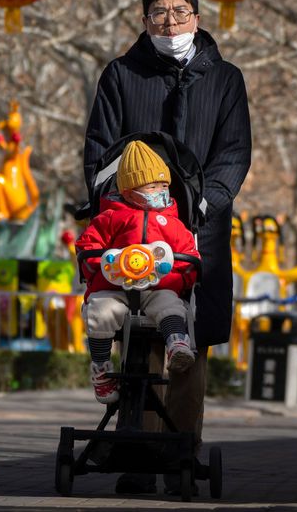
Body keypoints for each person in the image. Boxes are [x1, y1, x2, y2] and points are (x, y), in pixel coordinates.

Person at [82, 0, 251, 495]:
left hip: (198, 230)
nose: (169, 21)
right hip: (130, 227)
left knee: (188, 341)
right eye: (158, 13)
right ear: (144, 20)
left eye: (179, 13)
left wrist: (202, 202)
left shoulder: (225, 80)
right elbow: (99, 148)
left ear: (197, 19)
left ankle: (181, 451)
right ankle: (138, 452)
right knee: (135, 332)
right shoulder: (120, 75)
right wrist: (118, 203)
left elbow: (234, 153)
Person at [76, 140, 200, 403]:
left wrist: (175, 276)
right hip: (114, 288)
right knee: (100, 312)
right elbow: (87, 247)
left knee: (170, 305)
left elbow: (189, 255)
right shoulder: (110, 219)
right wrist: (105, 266)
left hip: (159, 286)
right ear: (130, 192)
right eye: (153, 186)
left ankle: (177, 343)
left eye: (164, 186)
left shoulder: (173, 223)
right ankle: (101, 367)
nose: (161, 191)